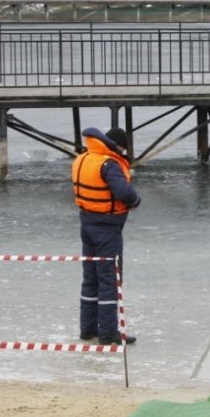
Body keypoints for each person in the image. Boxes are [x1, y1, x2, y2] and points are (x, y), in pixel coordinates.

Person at [71, 127, 141, 345]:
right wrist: (136, 200)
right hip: (108, 230)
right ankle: (109, 333)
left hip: (86, 225)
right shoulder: (109, 165)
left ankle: (87, 329)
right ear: (117, 145)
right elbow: (123, 192)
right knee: (109, 281)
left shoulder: (82, 159)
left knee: (90, 279)